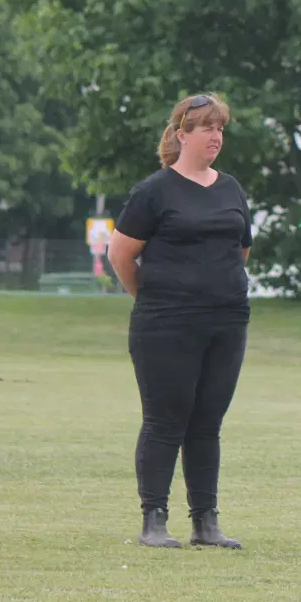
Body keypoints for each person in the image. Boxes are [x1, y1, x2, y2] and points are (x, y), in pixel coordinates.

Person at [107, 93, 253, 550]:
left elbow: (241, 250)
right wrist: (155, 298)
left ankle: (206, 522)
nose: (216, 136)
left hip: (226, 323)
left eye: (220, 128)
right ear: (182, 134)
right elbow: (120, 254)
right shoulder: (154, 190)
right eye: (207, 127)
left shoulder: (230, 188)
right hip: (166, 325)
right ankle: (154, 519)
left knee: (207, 422)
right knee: (165, 420)